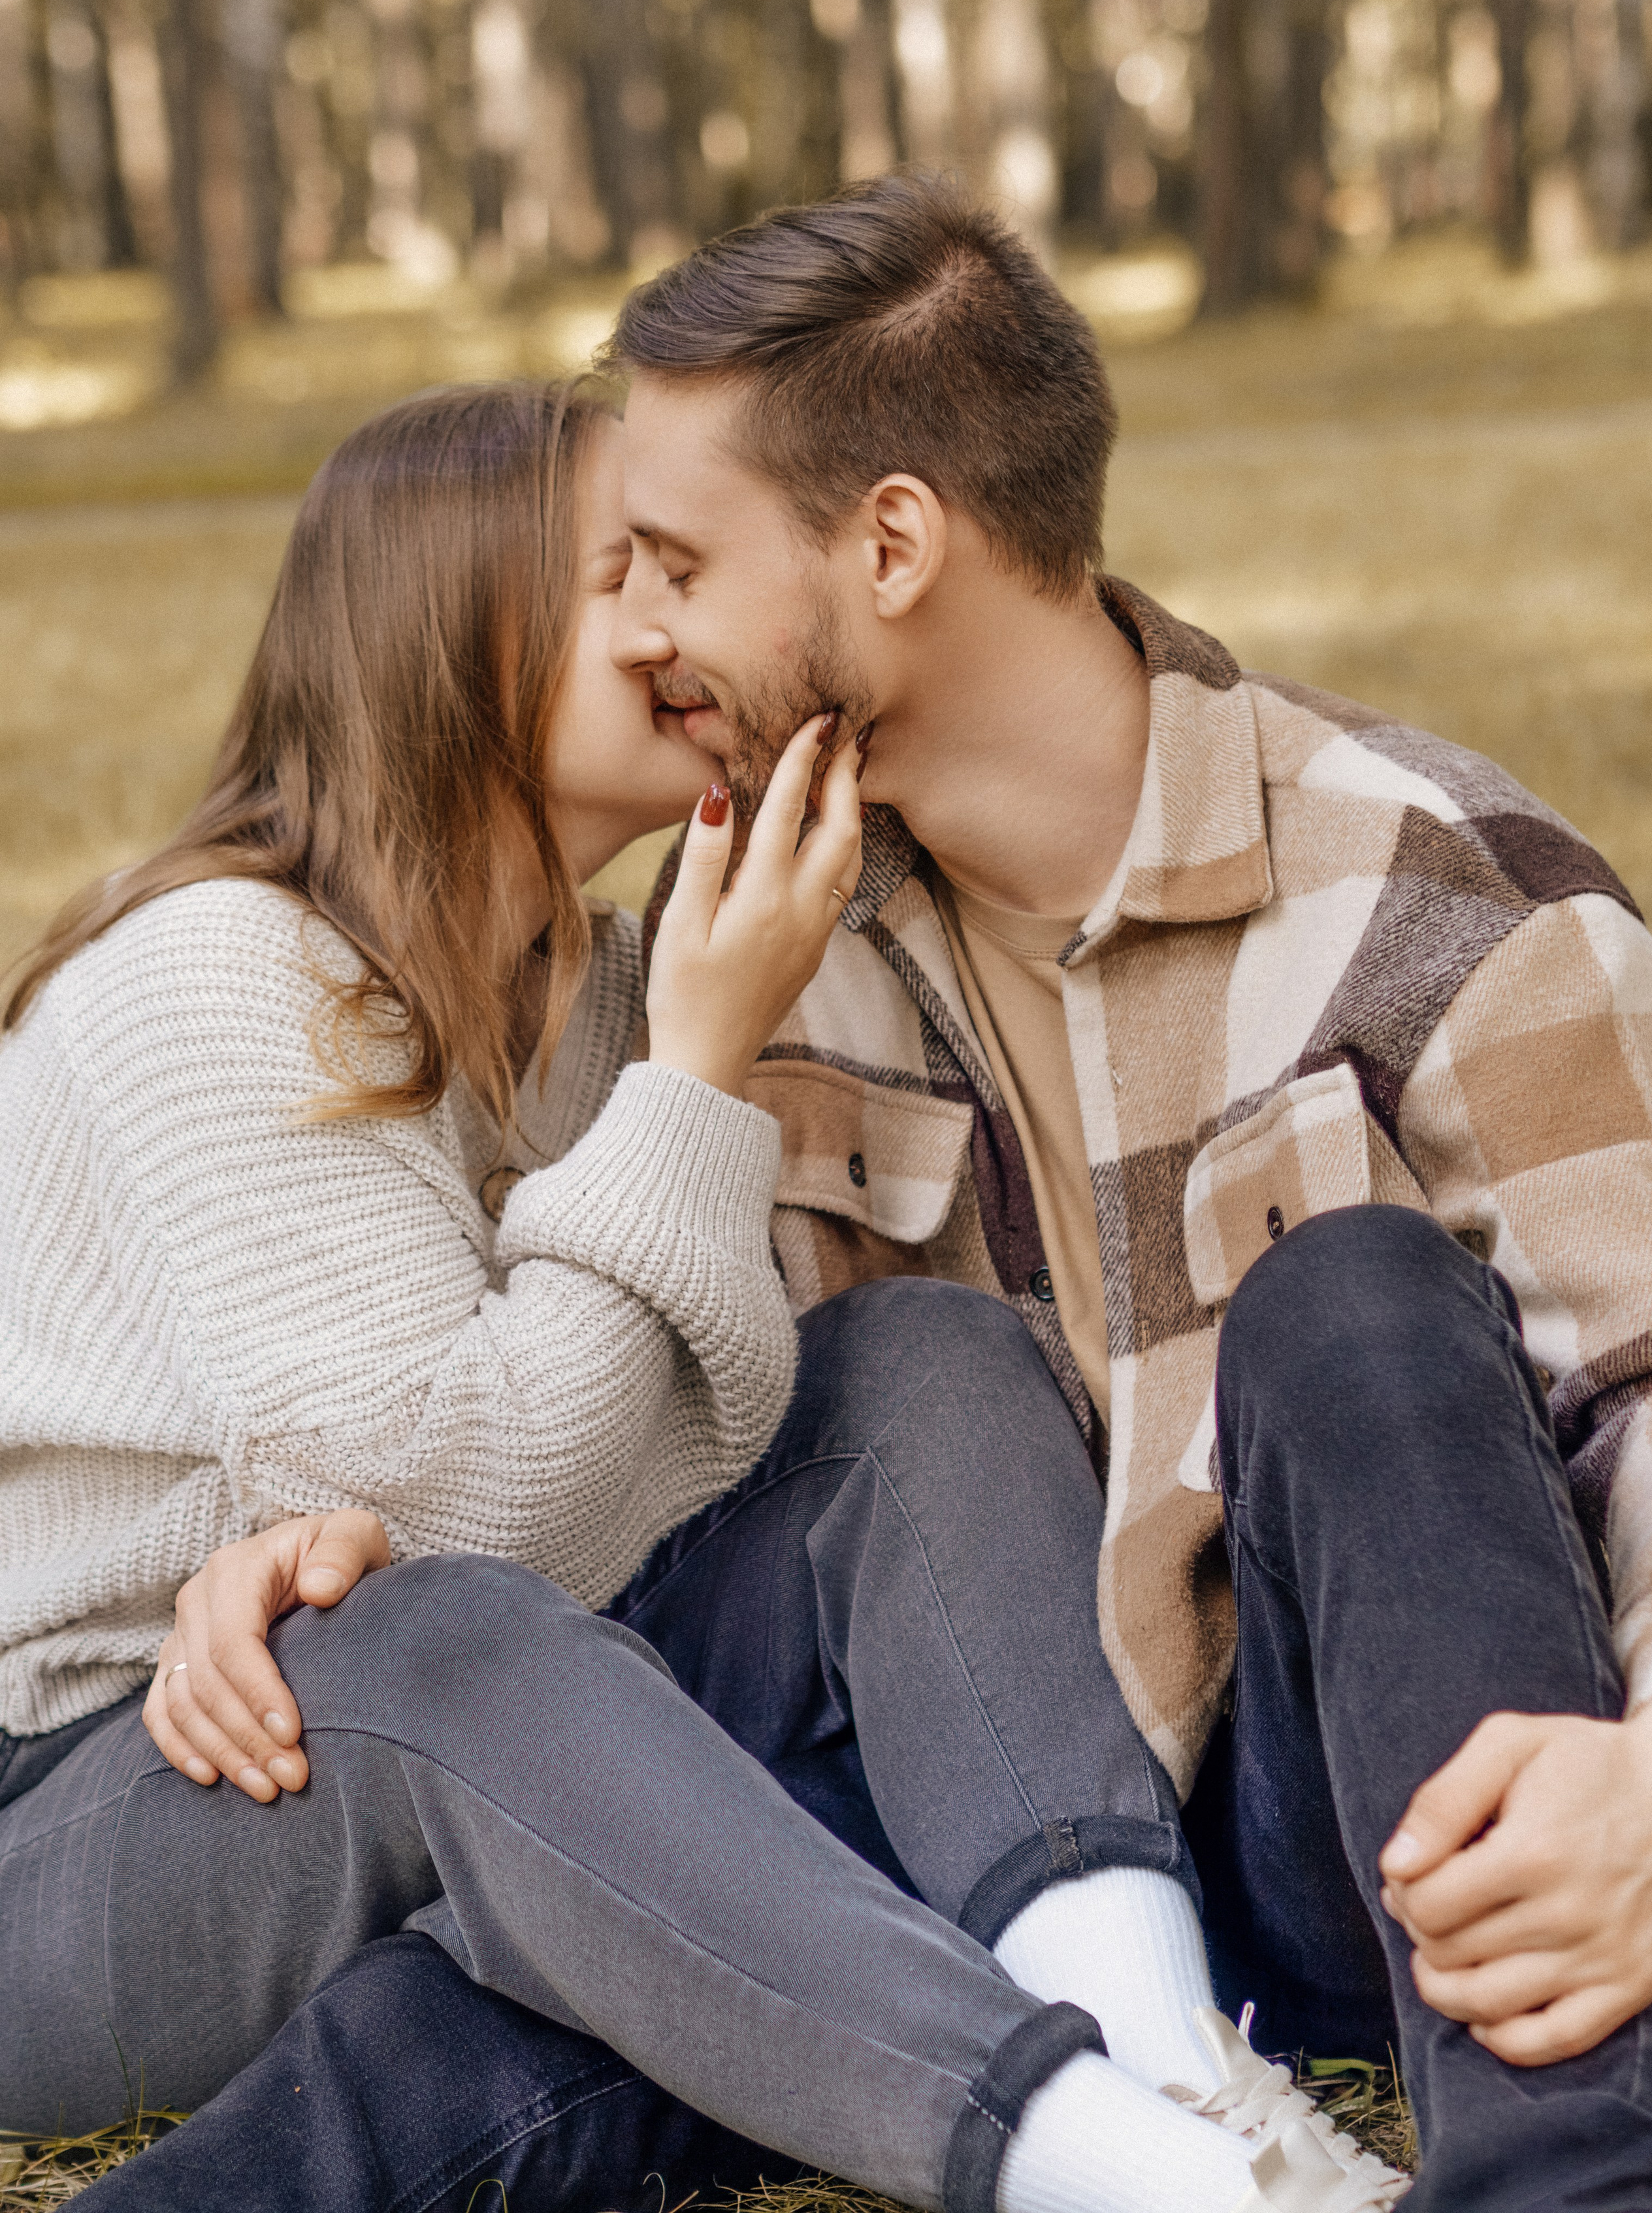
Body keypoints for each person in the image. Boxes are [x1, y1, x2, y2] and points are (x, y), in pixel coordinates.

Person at [120, 174, 1652, 2210]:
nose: (639, 629)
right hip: (974, 1851)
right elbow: (621, 1459)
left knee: (1356, 1302)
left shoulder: (1438, 890)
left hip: (1361, 1825)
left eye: (672, 561)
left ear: (895, 541)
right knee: (530, 1976)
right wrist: (313, 1558)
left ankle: (1563, 2183)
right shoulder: (737, 943)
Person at [1, 378, 1387, 2213]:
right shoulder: (221, 971)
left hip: (469, 1715)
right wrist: (701, 1069)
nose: (688, 624)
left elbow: (713, 1437)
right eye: (624, 573)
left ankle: (1165, 2052)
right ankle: (1120, 2175)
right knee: (445, 1641)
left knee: (912, 1369)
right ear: (455, 629)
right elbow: (461, 1535)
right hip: (111, 1810)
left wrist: (682, 1053)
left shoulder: (607, 990)